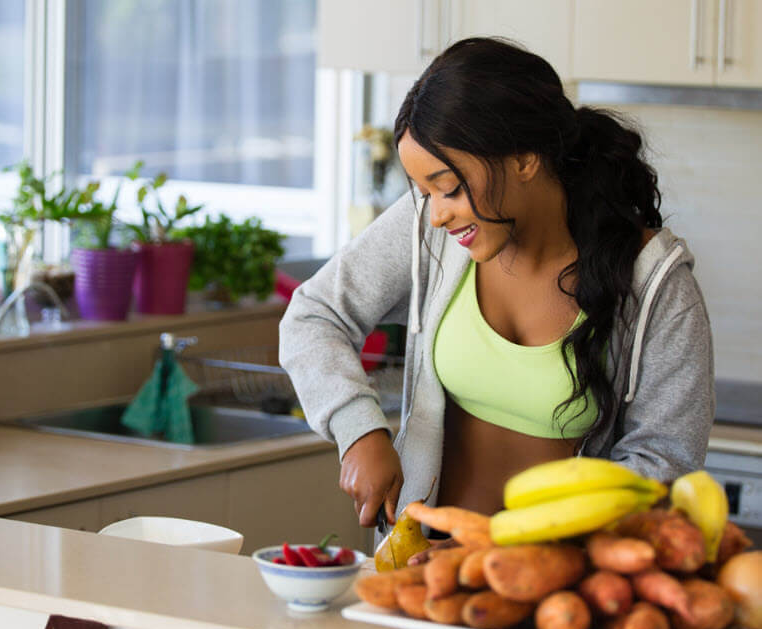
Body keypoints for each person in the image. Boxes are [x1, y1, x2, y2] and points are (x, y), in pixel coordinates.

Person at [279, 37, 714, 533]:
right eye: (423, 193)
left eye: (449, 187)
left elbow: (665, 461)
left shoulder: (655, 284)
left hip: (556, 586)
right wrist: (359, 430)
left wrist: (517, 550)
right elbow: (314, 315)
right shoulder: (432, 228)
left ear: (525, 161)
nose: (436, 214)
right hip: (423, 561)